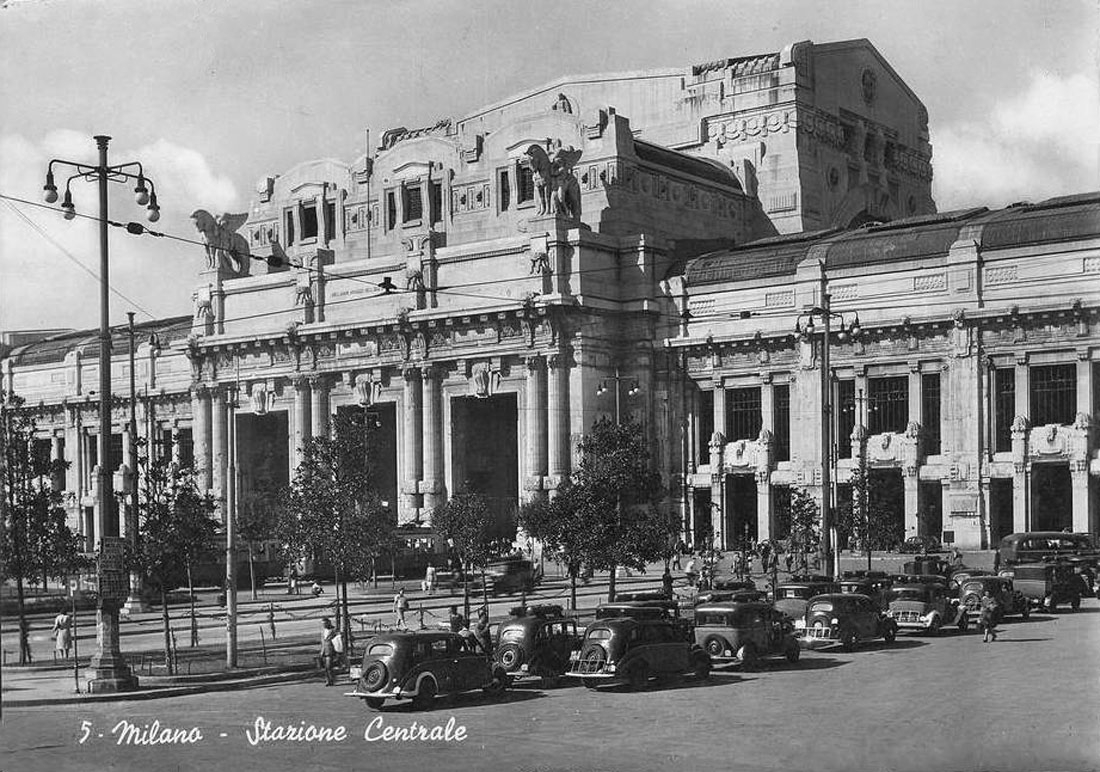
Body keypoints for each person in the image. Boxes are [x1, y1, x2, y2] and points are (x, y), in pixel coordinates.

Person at [319, 618, 336, 685]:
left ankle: (331, 680)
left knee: (329, 666)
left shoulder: (333, 630)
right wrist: (321, 651)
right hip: (325, 650)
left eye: (325, 623)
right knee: (325, 667)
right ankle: (328, 679)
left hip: (331, 649)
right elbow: (322, 642)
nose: (324, 625)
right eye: (323, 624)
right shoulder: (323, 631)